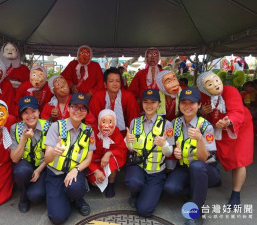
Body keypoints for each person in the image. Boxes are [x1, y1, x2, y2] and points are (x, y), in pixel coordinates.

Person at [163, 87, 221, 225]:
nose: (187, 106)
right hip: (184, 168)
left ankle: (196, 213)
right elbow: (170, 150)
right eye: (184, 102)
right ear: (179, 104)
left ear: (199, 105)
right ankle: (196, 191)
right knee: (170, 188)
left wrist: (200, 139)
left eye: (192, 103)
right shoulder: (175, 124)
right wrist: (174, 153)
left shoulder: (206, 127)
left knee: (196, 165)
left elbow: (204, 159)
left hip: (206, 169)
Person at [198, 71, 254, 207]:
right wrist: (202, 112)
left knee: (239, 160)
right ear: (204, 88)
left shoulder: (230, 91)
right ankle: (215, 178)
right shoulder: (203, 96)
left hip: (239, 127)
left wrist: (229, 122)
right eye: (209, 84)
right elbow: (198, 113)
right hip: (217, 128)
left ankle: (236, 193)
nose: (216, 85)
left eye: (216, 80)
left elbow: (236, 111)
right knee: (211, 153)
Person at [44, 93, 96, 224]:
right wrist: (54, 152)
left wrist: (76, 170)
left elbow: (88, 158)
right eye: (75, 107)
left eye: (82, 108)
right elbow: (47, 158)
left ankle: (78, 199)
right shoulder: (56, 127)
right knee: (58, 218)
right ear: (68, 108)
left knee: (75, 188)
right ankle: (64, 198)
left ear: (86, 112)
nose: (78, 111)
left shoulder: (89, 131)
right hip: (55, 173)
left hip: (75, 173)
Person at [125, 89, 175, 218]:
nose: (149, 105)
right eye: (145, 102)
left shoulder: (167, 124)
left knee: (144, 211)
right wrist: (127, 142)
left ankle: (152, 192)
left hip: (156, 171)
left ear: (159, 103)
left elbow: (169, 154)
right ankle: (136, 193)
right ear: (141, 103)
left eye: (153, 102)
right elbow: (131, 149)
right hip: (138, 167)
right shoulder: (134, 122)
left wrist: (164, 145)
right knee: (133, 182)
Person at [10, 96, 52, 213]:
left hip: (43, 165)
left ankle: (33, 189)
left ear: (39, 111)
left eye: (33, 111)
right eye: (25, 113)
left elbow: (50, 154)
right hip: (24, 165)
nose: (30, 116)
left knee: (36, 196)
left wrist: (38, 170)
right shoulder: (15, 128)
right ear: (21, 115)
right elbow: (14, 159)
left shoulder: (48, 126)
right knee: (20, 171)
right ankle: (23, 195)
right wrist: (23, 138)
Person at [87, 109, 127, 198]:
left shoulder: (116, 132)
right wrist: (96, 170)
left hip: (107, 160)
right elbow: (87, 154)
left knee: (113, 159)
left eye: (110, 122)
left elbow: (121, 149)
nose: (106, 126)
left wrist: (109, 153)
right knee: (95, 182)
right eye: (103, 122)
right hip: (94, 161)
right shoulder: (92, 132)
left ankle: (111, 183)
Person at [89, 67, 140, 137]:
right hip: (101, 135)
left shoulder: (128, 96)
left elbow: (134, 119)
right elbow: (92, 121)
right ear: (105, 84)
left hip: (124, 135)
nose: (115, 84)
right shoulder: (97, 97)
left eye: (117, 81)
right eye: (111, 81)